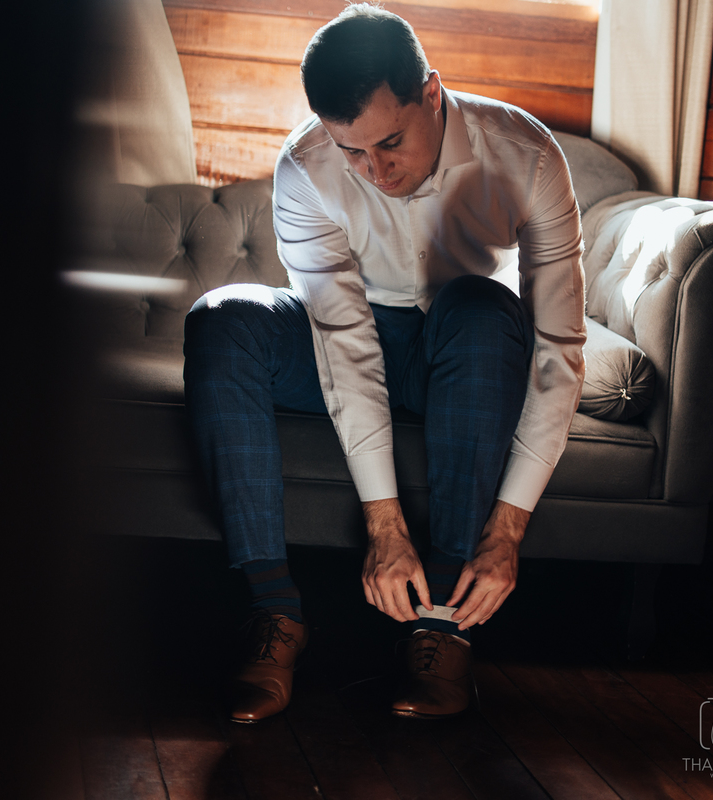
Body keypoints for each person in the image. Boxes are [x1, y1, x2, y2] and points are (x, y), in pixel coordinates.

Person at [182, 4, 586, 721]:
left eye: (391, 142)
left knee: (481, 305)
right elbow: (342, 337)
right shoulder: (305, 166)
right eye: (353, 152)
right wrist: (385, 526)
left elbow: (558, 345)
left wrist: (507, 531)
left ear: (431, 92)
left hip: (461, 351)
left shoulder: (527, 154)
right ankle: (274, 611)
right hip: (346, 338)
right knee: (223, 317)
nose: (376, 171)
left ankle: (443, 624)